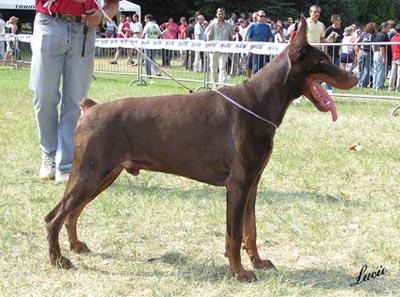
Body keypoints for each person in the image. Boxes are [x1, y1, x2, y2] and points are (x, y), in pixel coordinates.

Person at [30, 0, 119, 182]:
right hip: (49, 23)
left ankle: (66, 164)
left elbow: (113, 3)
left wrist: (101, 16)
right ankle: (49, 154)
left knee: (76, 102)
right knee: (43, 96)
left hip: (84, 29)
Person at [206, 8, 233, 87]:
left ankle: (222, 86)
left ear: (224, 14)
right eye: (219, 14)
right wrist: (209, 48)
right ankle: (215, 85)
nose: (220, 15)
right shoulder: (212, 24)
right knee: (213, 69)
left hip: (224, 50)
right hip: (213, 50)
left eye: (222, 14)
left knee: (222, 68)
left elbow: (231, 36)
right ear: (216, 14)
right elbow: (209, 36)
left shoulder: (228, 25)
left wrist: (230, 47)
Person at [246, 10, 273, 75]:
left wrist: (269, 49)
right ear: (257, 17)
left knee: (264, 68)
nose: (263, 18)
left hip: (264, 51)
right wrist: (248, 49)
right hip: (254, 51)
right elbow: (248, 38)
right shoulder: (252, 26)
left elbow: (270, 38)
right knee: (255, 68)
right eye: (261, 16)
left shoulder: (267, 27)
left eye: (264, 16)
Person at [357, 22, 376, 88]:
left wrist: (358, 50)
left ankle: (359, 84)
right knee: (367, 69)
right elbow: (373, 45)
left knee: (360, 69)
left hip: (361, 51)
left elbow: (357, 42)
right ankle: (363, 84)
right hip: (369, 52)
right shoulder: (373, 35)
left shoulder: (363, 34)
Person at [372, 22, 390, 89]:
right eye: (388, 27)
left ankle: (375, 86)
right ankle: (379, 86)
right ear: (384, 27)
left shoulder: (377, 34)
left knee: (376, 71)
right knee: (381, 72)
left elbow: (372, 45)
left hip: (376, 54)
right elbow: (382, 47)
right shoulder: (383, 35)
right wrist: (384, 58)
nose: (389, 28)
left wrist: (374, 53)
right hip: (381, 54)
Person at [389, 24, 400, 91]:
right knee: (399, 75)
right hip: (399, 57)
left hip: (394, 57)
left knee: (392, 74)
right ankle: (398, 88)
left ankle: (390, 87)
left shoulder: (393, 38)